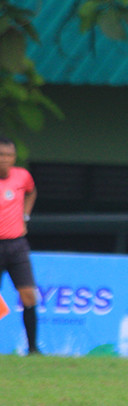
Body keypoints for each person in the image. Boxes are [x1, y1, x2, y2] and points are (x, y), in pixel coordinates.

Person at [0, 136, 40, 354]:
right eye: (1, 155)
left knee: (28, 295)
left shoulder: (22, 176)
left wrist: (25, 215)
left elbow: (32, 192)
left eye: (9, 155)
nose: (5, 160)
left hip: (17, 245)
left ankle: (33, 348)